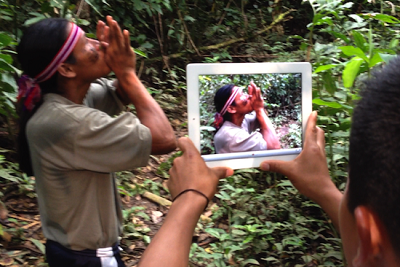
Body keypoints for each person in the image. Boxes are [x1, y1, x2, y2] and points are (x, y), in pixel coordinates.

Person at [139, 57, 400, 267]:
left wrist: (188, 197)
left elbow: (268, 136)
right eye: (243, 97)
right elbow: (272, 142)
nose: (248, 99)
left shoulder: (239, 122)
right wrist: (323, 189)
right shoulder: (229, 134)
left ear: (370, 239)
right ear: (231, 109)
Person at [16, 16, 176, 267]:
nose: (98, 45)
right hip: (87, 259)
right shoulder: (66, 122)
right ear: (67, 69)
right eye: (88, 44)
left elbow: (120, 92)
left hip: (74, 253)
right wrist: (126, 72)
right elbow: (164, 138)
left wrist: (121, 66)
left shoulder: (66, 99)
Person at [213, 82, 280, 154]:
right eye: (242, 95)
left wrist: (258, 103)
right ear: (231, 109)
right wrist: (259, 109)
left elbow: (263, 118)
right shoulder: (232, 136)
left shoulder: (241, 121)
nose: (248, 96)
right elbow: (275, 148)